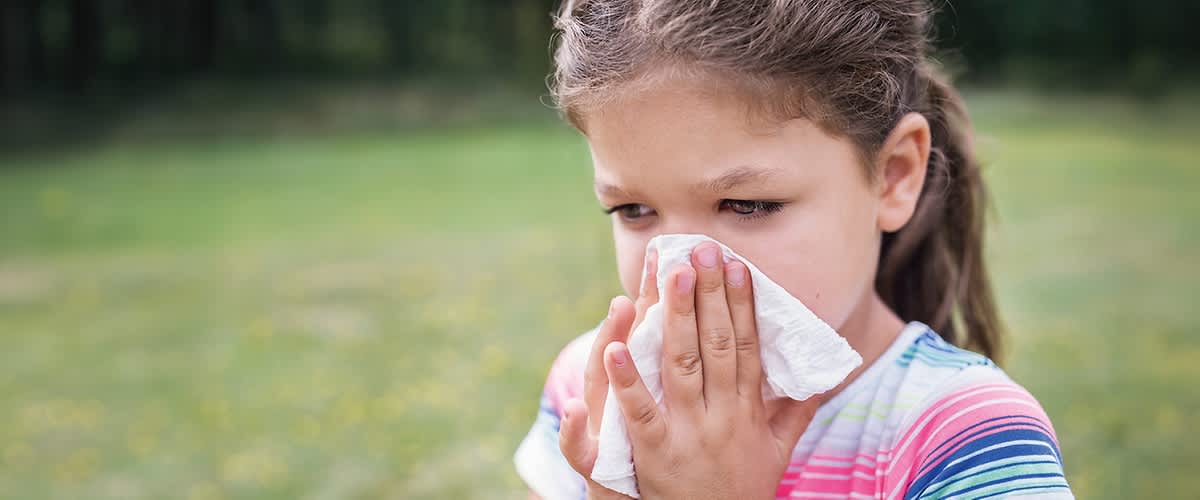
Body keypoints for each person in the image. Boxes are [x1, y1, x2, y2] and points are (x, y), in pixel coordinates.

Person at [514, 0, 1073, 498]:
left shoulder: (964, 438)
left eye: (748, 205)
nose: (679, 273)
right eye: (633, 211)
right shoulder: (593, 393)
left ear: (894, 177)